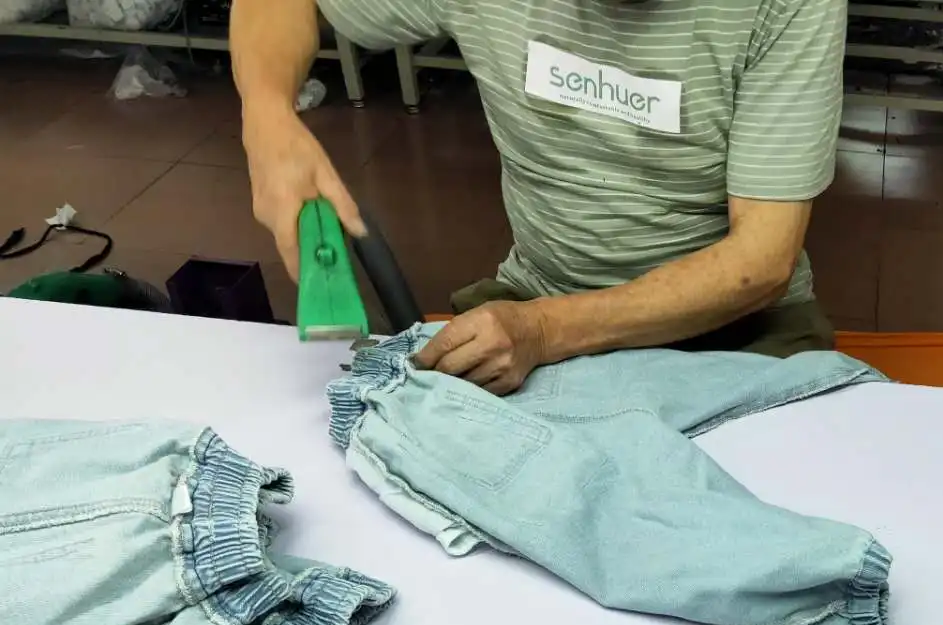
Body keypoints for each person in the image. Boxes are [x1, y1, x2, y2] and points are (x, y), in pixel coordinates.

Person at [231, 0, 848, 395]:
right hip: (538, 292)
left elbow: (762, 259)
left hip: (741, 328)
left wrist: (548, 331)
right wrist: (266, 113)